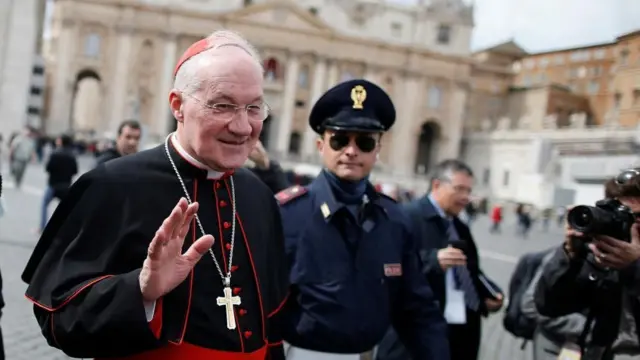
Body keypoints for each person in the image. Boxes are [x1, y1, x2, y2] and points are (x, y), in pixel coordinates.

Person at [22, 30, 289, 360]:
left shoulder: (260, 197)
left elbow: (273, 326)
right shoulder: (111, 185)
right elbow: (56, 317)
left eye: (253, 108)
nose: (243, 126)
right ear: (177, 105)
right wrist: (140, 290)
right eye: (222, 105)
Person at [276, 79, 449, 360]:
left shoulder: (395, 220)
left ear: (378, 150)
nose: (351, 151)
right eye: (340, 140)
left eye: (365, 142)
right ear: (321, 145)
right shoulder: (286, 215)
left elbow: (417, 309)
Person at [376, 160, 504, 360]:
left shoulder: (460, 227)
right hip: (412, 336)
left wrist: (486, 294)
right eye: (459, 189)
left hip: (458, 335)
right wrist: (432, 260)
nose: (465, 197)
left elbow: (470, 271)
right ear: (437, 185)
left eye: (468, 190)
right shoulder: (405, 217)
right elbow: (384, 265)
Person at [535, 169, 640, 359]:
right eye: (622, 217)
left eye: (637, 218)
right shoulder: (598, 255)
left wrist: (635, 265)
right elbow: (548, 306)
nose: (630, 226)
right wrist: (570, 255)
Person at [39, 134, 78, 233]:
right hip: (65, 185)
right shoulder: (72, 155)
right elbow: (75, 170)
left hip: (53, 184)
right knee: (65, 209)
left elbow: (48, 168)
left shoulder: (55, 153)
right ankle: (62, 230)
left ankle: (42, 227)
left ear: (61, 141)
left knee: (44, 204)